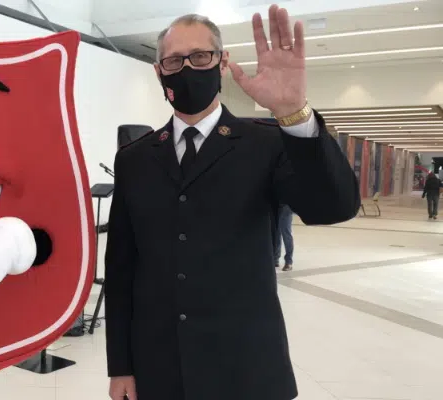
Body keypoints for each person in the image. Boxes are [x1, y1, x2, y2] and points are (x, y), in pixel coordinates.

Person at [104, 5, 360, 400]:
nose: (187, 67)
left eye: (200, 56)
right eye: (174, 60)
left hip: (245, 367)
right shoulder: (135, 158)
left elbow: (333, 206)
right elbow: (121, 268)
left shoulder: (266, 143)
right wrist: (120, 365)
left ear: (222, 63)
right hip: (158, 367)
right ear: (159, 72)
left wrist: (293, 114)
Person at [273, 204, 294, 271]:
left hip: (286, 205)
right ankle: (275, 259)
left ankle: (288, 262)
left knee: (286, 234)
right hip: (276, 205)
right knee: (277, 233)